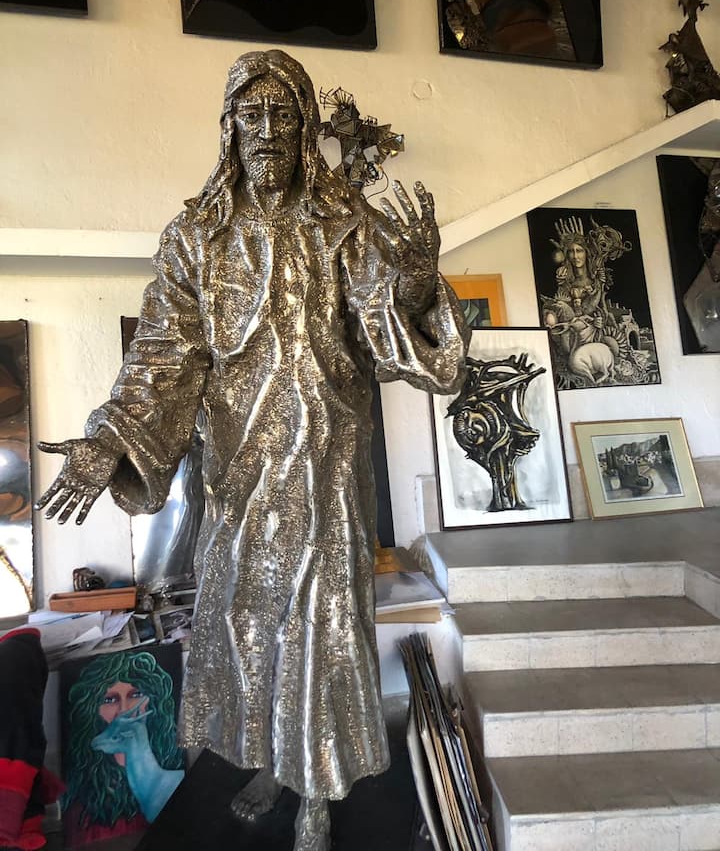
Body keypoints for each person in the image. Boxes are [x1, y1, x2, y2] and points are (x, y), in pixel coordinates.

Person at [37, 50, 468, 850]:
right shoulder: (196, 237)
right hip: (241, 477)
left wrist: (414, 282)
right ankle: (272, 763)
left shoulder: (345, 224)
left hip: (330, 469)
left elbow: (391, 337)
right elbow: (164, 354)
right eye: (251, 114)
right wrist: (109, 438)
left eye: (283, 114)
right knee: (251, 625)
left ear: (304, 127)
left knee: (323, 626)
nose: (267, 129)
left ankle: (317, 790)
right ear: (229, 127)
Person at [62, 650, 183, 847]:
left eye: (136, 695)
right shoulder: (81, 807)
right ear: (92, 708)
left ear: (152, 703)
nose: (124, 710)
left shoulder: (178, 782)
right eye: (110, 699)